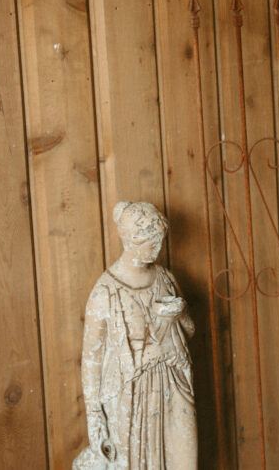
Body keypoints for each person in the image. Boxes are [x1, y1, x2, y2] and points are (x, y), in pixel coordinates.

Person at [75, 201, 197, 470]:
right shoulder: (105, 292)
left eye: (159, 241)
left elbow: (189, 330)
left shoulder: (165, 278)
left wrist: (179, 313)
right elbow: (91, 361)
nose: (158, 248)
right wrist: (95, 419)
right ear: (130, 240)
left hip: (174, 385)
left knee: (184, 461)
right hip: (131, 397)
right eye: (150, 243)